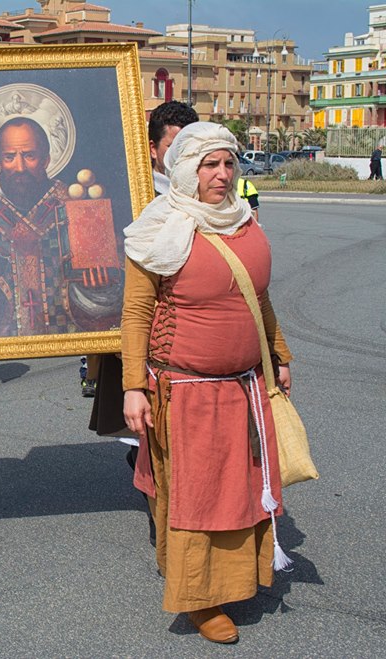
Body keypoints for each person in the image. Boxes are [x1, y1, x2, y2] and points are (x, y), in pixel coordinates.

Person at [122, 122, 295, 644]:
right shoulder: (158, 230)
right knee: (198, 496)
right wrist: (133, 386)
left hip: (243, 386)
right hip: (186, 391)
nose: (221, 175)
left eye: (228, 164)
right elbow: (135, 313)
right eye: (208, 165)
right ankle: (198, 597)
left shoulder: (243, 222)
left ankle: (237, 579)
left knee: (239, 488)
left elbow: (258, 298)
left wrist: (279, 355)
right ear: (183, 171)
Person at [87, 100, 199, 545]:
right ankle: (162, 515)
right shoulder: (125, 192)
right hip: (142, 326)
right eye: (173, 147)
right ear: (153, 149)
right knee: (144, 426)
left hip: (192, 335)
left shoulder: (215, 195)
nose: (180, 159)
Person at [0, 116, 122, 339]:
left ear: (46, 159)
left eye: (29, 156)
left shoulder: (74, 207)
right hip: (3, 354)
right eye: (9, 157)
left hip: (68, 354)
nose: (19, 167)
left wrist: (99, 291)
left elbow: (118, 297)